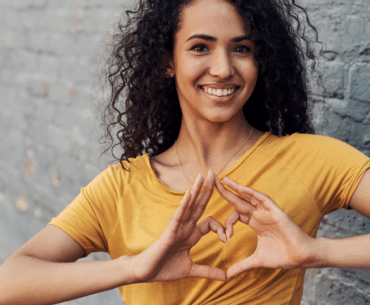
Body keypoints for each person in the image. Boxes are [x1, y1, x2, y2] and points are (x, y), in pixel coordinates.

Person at [1, 0, 369, 304]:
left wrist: (315, 252)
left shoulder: (311, 160)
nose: (223, 69)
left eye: (242, 48)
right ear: (168, 61)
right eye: (200, 47)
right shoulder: (121, 188)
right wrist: (135, 267)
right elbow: (10, 282)